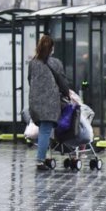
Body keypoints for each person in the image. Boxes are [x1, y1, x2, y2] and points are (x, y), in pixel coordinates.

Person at [28, 34, 68, 171]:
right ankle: (40, 160)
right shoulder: (55, 63)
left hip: (35, 101)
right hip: (50, 102)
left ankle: (44, 156)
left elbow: (30, 80)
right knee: (45, 130)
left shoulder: (33, 62)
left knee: (43, 130)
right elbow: (62, 81)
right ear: (51, 48)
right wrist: (67, 93)